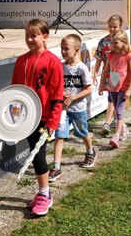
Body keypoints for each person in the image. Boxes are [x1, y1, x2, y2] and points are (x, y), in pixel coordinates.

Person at [11, 19, 64, 216]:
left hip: (44, 117)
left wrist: (53, 121)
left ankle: (45, 194)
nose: (30, 39)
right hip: (26, 117)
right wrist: (13, 116)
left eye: (34, 35)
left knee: (38, 153)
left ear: (45, 37)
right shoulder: (21, 61)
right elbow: (15, 91)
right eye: (27, 35)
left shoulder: (52, 61)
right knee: (34, 152)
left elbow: (58, 94)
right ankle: (42, 191)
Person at [50, 34, 96, 182]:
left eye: (66, 49)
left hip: (78, 109)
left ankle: (90, 151)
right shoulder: (60, 66)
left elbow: (89, 89)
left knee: (82, 132)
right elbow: (57, 84)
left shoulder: (82, 69)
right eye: (61, 48)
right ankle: (56, 167)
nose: (63, 51)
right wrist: (61, 93)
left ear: (76, 50)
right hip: (64, 110)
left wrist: (72, 98)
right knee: (60, 136)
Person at [99, 30, 131, 148]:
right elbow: (106, 70)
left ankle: (116, 136)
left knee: (119, 113)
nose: (113, 45)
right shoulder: (111, 54)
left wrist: (129, 88)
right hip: (113, 85)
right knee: (115, 109)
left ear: (124, 42)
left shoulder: (128, 56)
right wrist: (101, 84)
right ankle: (124, 128)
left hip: (123, 86)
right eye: (112, 43)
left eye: (116, 43)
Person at [92, 15, 122, 134]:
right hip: (107, 73)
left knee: (113, 98)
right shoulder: (103, 41)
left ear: (120, 27)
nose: (112, 29)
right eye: (110, 26)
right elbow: (99, 58)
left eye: (115, 27)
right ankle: (115, 120)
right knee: (112, 97)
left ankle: (108, 122)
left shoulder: (123, 41)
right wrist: (95, 72)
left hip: (118, 74)